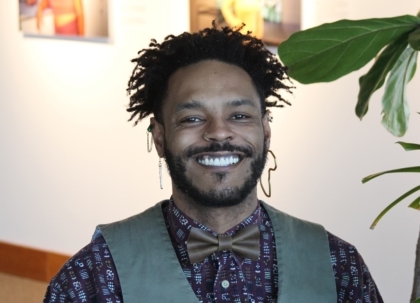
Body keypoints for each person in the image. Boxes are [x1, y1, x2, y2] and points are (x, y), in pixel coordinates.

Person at [43, 24, 383, 303]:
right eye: (192, 118)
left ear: (265, 130)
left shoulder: (337, 266)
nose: (219, 132)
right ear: (159, 137)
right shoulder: (93, 278)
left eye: (238, 115)